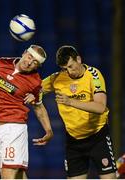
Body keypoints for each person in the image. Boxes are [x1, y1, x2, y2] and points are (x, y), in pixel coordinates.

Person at [26, 45, 117, 179]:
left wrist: (71, 102)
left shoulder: (94, 75)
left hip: (98, 137)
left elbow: (100, 107)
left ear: (78, 59)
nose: (69, 71)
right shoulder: (57, 78)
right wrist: (34, 93)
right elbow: (35, 87)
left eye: (70, 66)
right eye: (64, 68)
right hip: (73, 141)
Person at [0, 44, 53, 179]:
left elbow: (39, 107)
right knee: (18, 176)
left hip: (14, 129)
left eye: (35, 62)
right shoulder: (1, 63)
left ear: (37, 67)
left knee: (7, 175)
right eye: (30, 57)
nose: (29, 62)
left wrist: (49, 130)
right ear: (24, 53)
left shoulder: (35, 82)